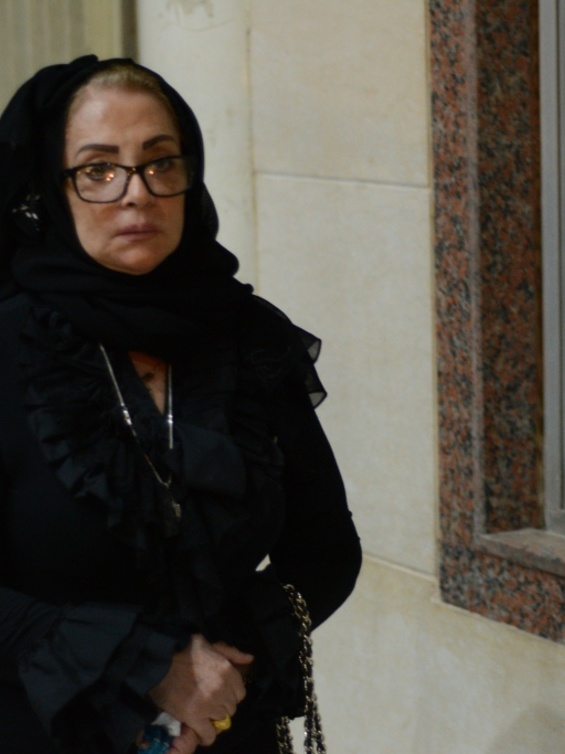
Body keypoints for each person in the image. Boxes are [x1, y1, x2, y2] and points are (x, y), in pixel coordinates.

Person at [0, 55, 361, 754]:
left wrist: (219, 675)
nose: (137, 193)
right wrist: (147, 669)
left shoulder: (246, 337)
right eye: (98, 169)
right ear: (51, 189)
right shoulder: (10, 348)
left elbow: (326, 548)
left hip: (227, 728)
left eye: (160, 163)